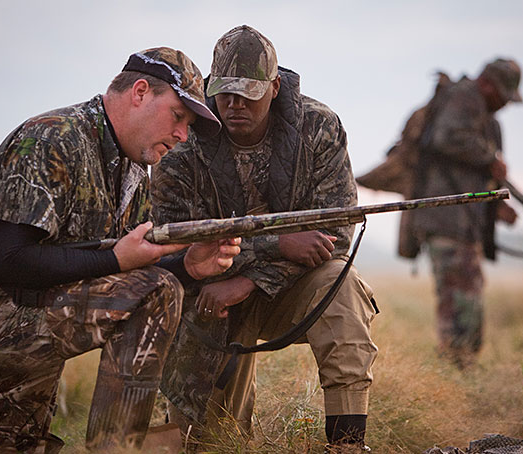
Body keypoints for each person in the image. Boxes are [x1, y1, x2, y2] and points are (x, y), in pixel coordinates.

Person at [0, 46, 242, 453]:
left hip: (28, 315)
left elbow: (124, 272)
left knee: (9, 447)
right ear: (140, 92)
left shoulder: (132, 170)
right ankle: (119, 448)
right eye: (178, 116)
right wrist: (117, 259)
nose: (182, 135)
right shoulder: (53, 138)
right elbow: (5, 261)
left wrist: (188, 267)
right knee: (158, 292)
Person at [150, 25, 377, 453]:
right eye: (225, 92)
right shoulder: (181, 142)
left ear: (274, 88)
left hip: (287, 288)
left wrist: (252, 279)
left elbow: (335, 234)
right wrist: (277, 243)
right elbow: (172, 242)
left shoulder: (319, 127)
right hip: (209, 294)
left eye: (248, 93)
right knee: (205, 443)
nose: (235, 104)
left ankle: (347, 445)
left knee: (341, 284)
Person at [405, 58, 522, 367]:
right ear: (488, 85)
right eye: (503, 96)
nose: (504, 105)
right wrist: (489, 158)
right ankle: (454, 366)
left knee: (467, 296)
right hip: (446, 220)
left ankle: (463, 364)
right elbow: (447, 137)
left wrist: (496, 206)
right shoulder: (464, 98)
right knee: (457, 300)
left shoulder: (478, 110)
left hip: (461, 222)